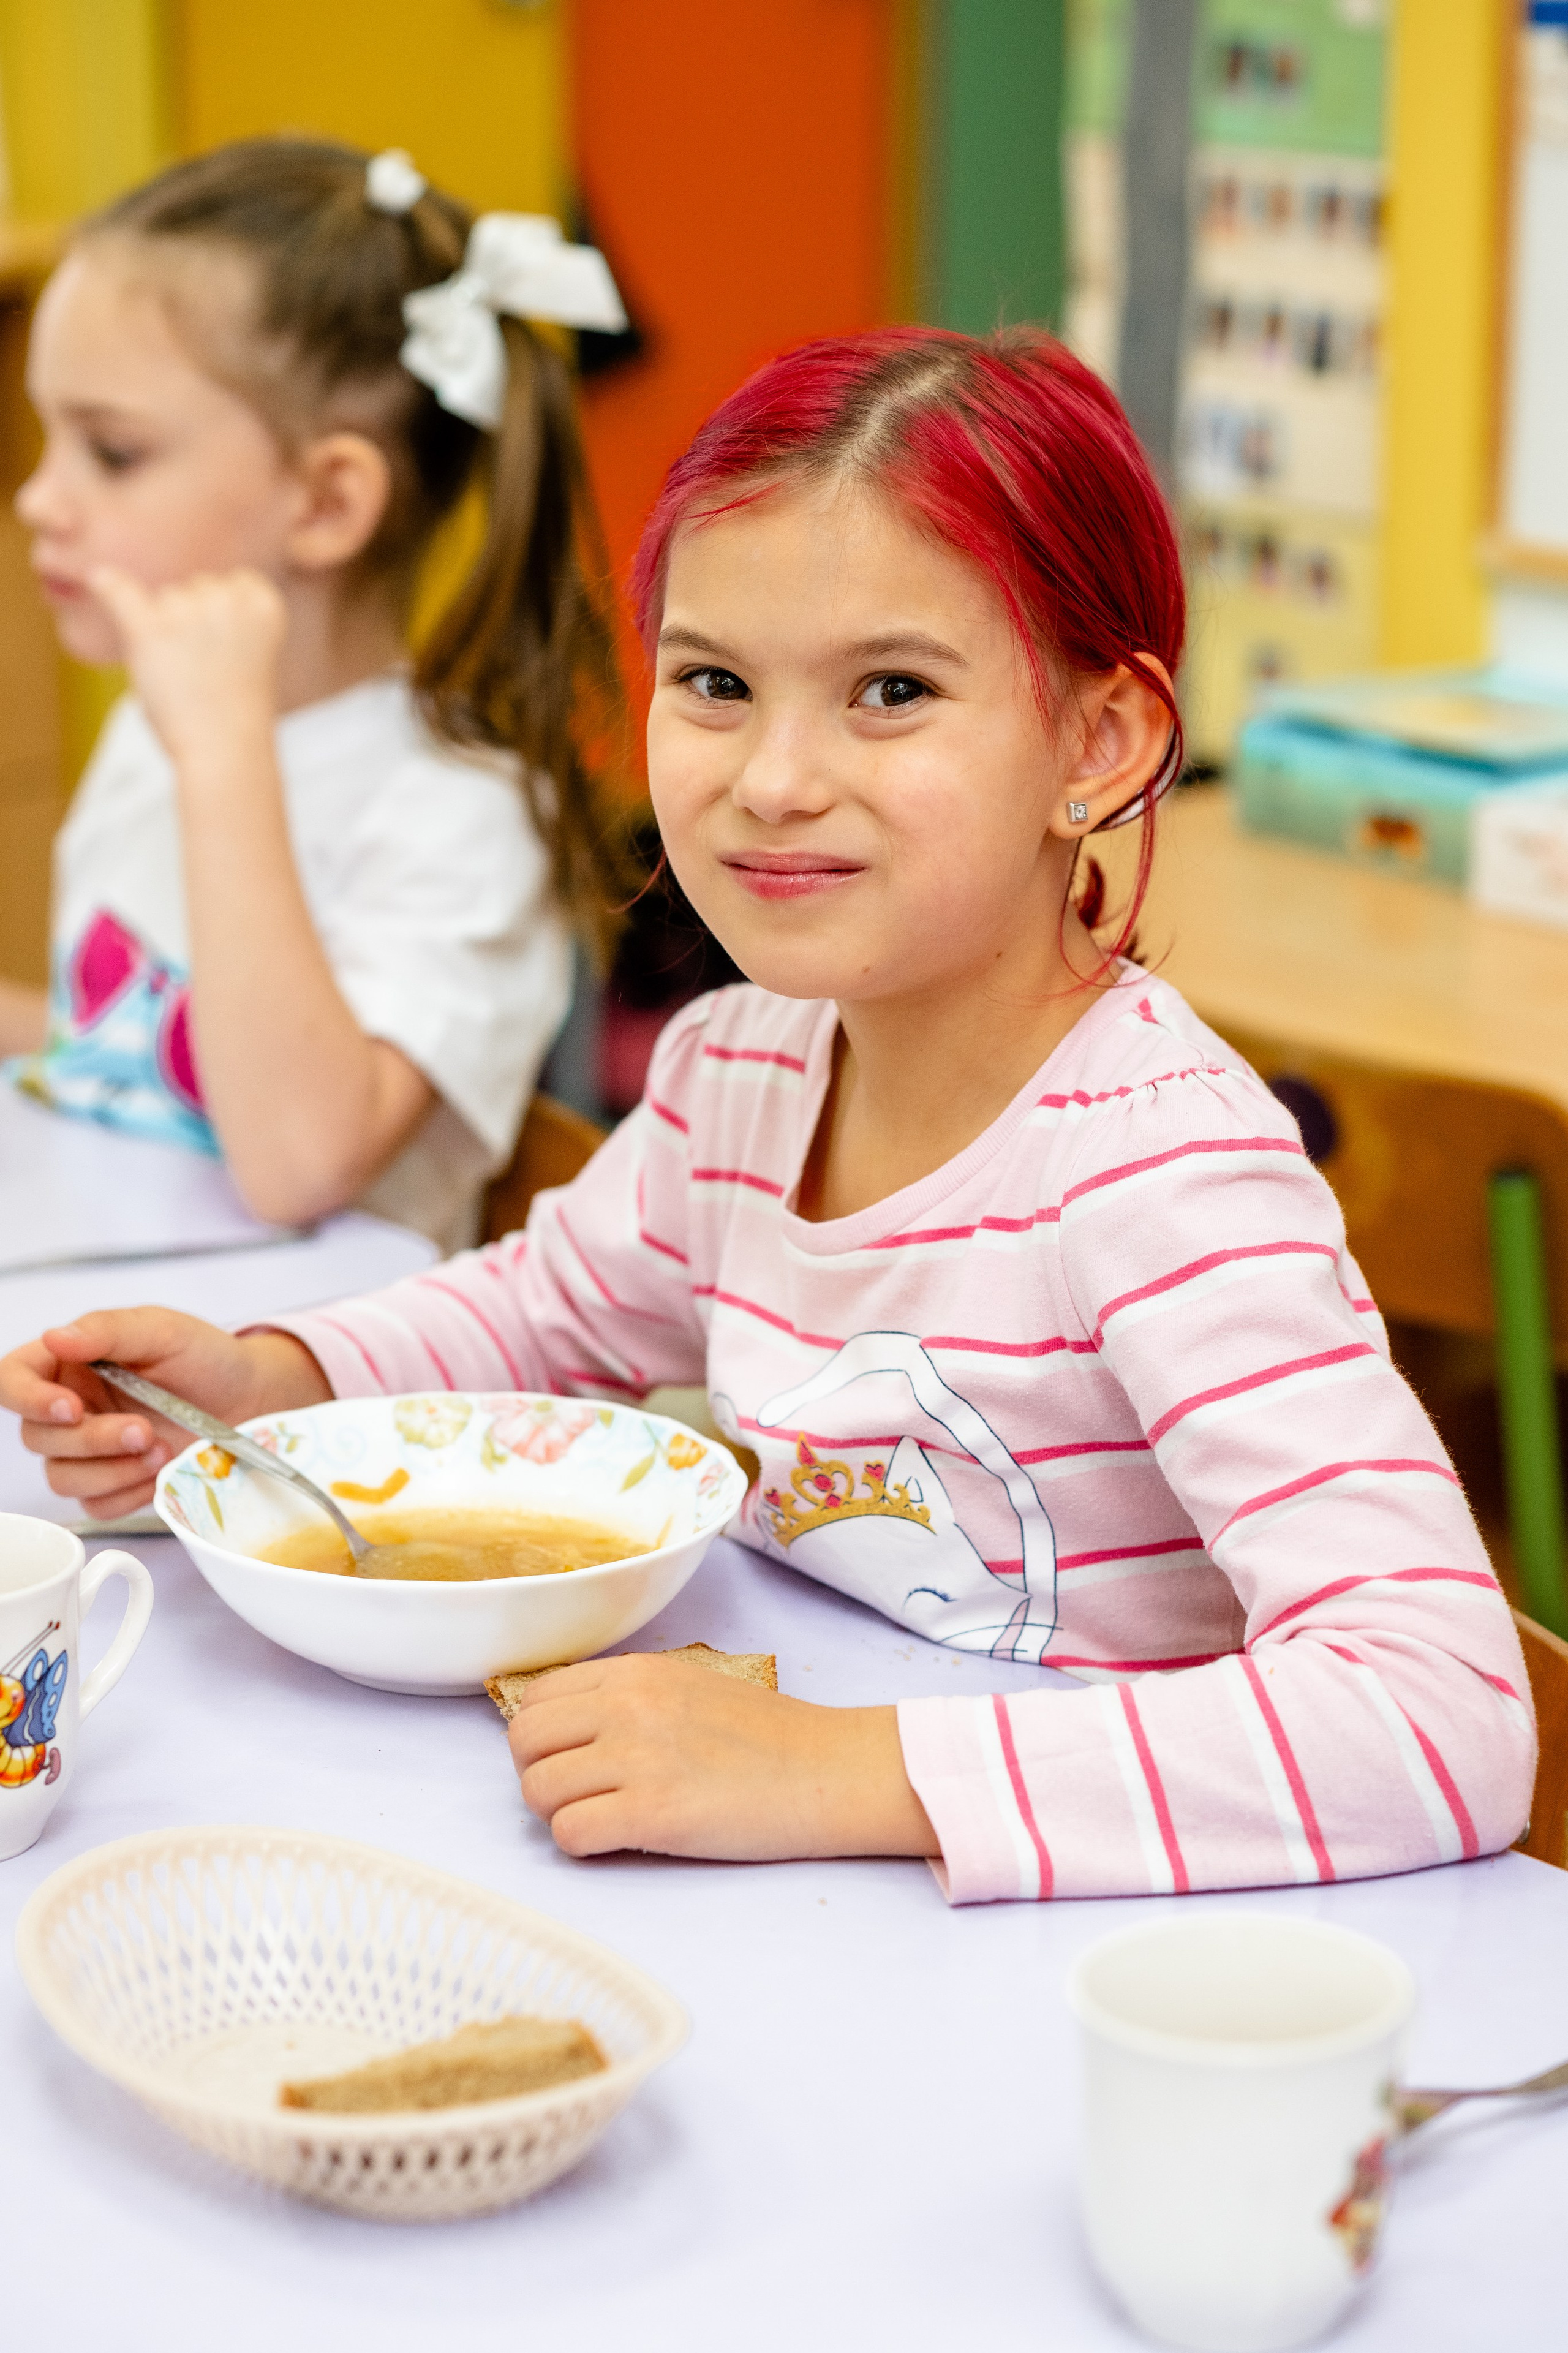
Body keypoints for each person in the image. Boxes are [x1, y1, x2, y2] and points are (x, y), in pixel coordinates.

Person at [0, 327, 1534, 1903]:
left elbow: (1439, 1710)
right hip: (819, 1909)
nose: (776, 778)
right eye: (715, 683)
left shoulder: (1158, 1173)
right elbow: (548, 1312)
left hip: (1082, 1959)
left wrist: (836, 1766)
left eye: (890, 691)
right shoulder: (742, 1067)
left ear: (1097, 745)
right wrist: (276, 1379)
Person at [0, 139, 628, 1250]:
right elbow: (137, 1060)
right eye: (50, 439)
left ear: (329, 501)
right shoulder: (162, 729)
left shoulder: (459, 811)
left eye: (113, 451)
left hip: (317, 1398)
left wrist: (226, 757)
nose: (40, 499)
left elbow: (294, 1158)